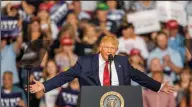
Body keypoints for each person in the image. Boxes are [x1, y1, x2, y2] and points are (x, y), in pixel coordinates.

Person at [29, 35, 174, 97]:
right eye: (107, 47)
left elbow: (139, 77)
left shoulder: (122, 62)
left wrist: (159, 86)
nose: (110, 51)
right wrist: (44, 85)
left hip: (120, 106)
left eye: (113, 48)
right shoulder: (85, 62)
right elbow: (65, 76)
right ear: (100, 47)